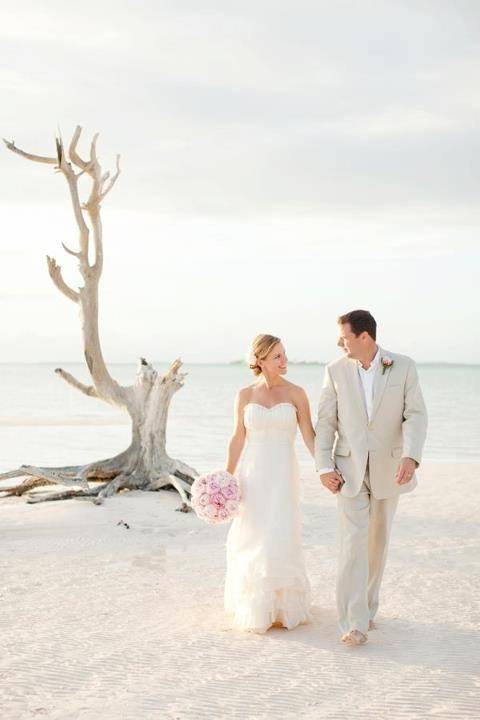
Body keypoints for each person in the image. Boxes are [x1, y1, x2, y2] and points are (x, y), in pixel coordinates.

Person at [315, 309, 428, 646]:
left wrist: (411, 455)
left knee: (377, 543)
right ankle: (353, 622)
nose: (339, 343)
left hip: (389, 470)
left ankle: (367, 608)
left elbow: (416, 415)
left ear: (364, 337)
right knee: (352, 544)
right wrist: (323, 466)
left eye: (344, 337)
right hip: (347, 471)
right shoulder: (334, 371)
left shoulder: (403, 366)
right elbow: (325, 421)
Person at [224, 333, 314, 633]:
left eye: (284, 354)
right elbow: (238, 437)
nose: (284, 360)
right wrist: (226, 476)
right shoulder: (245, 395)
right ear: (259, 360)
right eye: (277, 356)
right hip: (254, 473)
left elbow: (309, 436)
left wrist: (326, 468)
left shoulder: (297, 393)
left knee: (281, 532)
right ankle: (257, 607)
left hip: (284, 473)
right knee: (254, 534)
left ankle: (282, 606)